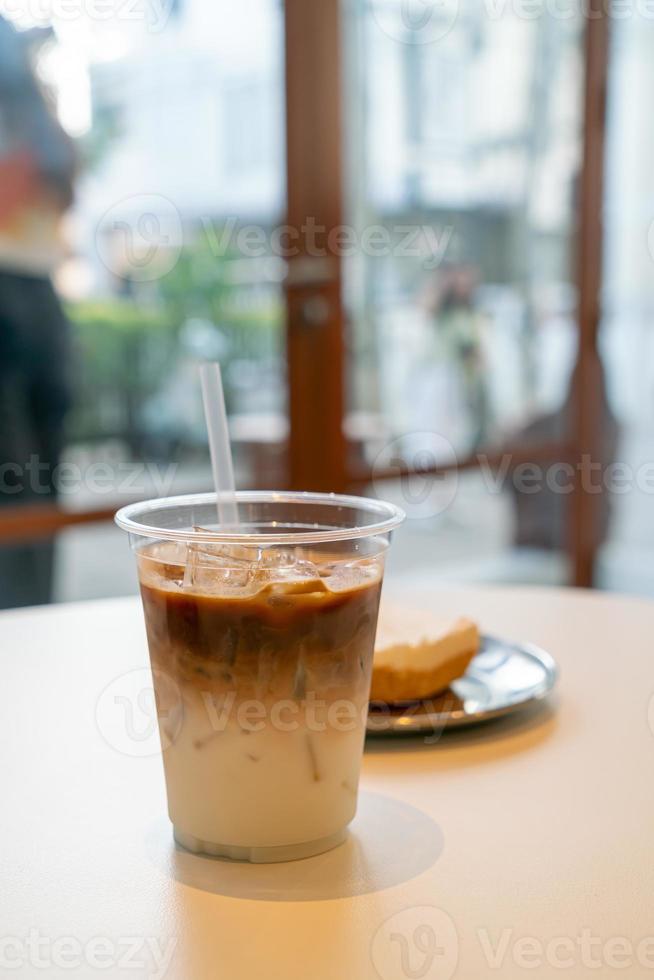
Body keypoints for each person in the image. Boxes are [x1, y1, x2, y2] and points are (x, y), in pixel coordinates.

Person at [0, 18, 75, 608]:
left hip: (33, 294)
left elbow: (57, 183)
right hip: (16, 294)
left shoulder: (33, 113)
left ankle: (30, 610)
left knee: (36, 473)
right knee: (19, 471)